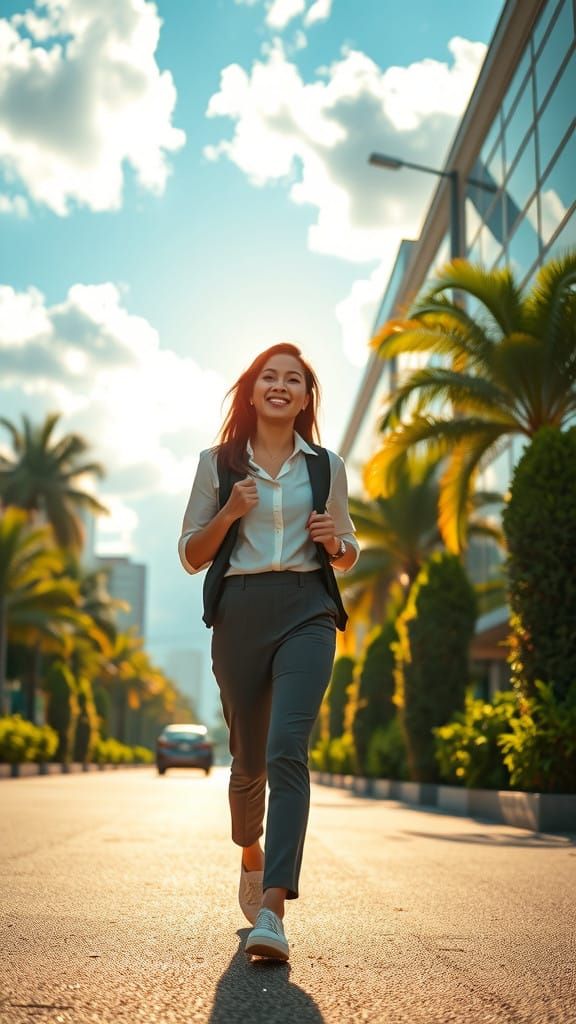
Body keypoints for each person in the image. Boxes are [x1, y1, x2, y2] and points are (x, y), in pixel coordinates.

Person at [178, 342, 359, 961]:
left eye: (294, 380)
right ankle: (250, 853)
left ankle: (273, 911)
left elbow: (347, 549)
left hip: (308, 608)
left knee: (288, 749)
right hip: (239, 613)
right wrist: (229, 511)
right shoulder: (217, 463)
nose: (280, 386)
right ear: (251, 392)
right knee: (248, 761)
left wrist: (337, 543)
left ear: (306, 397)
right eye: (269, 378)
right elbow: (191, 554)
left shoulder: (327, 467)